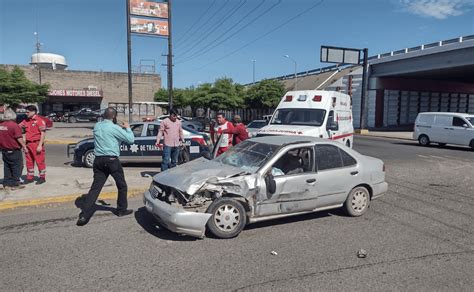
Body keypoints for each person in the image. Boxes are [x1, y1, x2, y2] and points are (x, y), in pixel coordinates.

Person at [76, 107, 135, 226]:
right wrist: (127, 128)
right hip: (111, 160)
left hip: (98, 160)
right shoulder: (114, 127)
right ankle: (121, 210)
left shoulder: (98, 126)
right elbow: (130, 140)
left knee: (95, 188)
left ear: (103, 115)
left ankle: (84, 215)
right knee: (122, 186)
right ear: (114, 116)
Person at [0, 108, 28, 190]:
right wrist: (24, 146)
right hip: (14, 150)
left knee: (7, 166)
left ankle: (7, 183)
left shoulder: (1, 125)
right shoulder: (14, 125)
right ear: (13, 116)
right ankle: (15, 183)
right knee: (17, 166)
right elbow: (19, 138)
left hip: (4, 150)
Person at [19, 105, 47, 184]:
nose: (26, 113)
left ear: (33, 112)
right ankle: (30, 177)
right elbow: (18, 127)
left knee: (40, 161)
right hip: (28, 144)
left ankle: (42, 177)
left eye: (28, 112)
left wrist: (40, 145)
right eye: (26, 112)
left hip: (36, 143)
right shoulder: (26, 121)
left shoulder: (39, 121)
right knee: (29, 161)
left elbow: (43, 133)